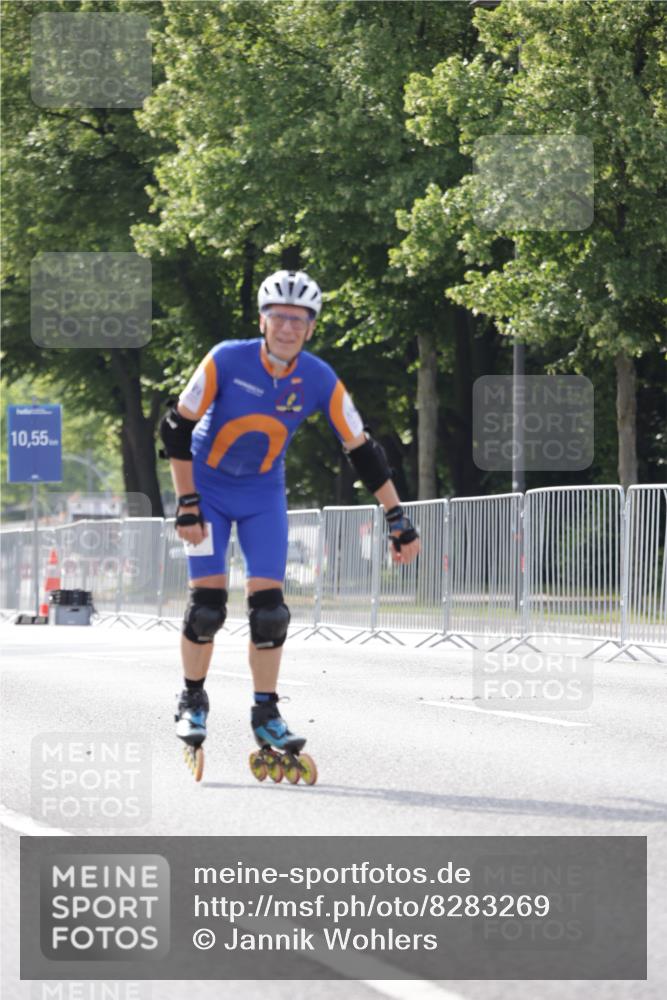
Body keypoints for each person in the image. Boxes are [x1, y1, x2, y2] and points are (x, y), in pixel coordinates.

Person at [159, 269, 420, 774]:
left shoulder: (319, 377)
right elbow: (175, 428)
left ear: (311, 328)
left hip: (261, 495)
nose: (286, 328)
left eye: (298, 320)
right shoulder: (225, 359)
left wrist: (397, 516)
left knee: (270, 612)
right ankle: (192, 698)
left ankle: (266, 712)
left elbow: (362, 450)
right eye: (278, 317)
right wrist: (186, 501)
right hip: (207, 492)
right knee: (207, 608)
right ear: (262, 320)